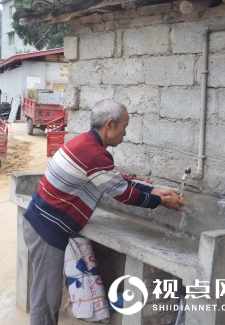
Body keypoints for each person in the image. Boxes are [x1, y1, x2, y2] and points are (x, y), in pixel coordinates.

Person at [23, 99, 186, 325]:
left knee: (44, 293)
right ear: (110, 125)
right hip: (46, 231)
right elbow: (123, 194)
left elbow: (116, 182)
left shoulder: (85, 143)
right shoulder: (95, 154)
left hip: (40, 223)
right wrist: (159, 201)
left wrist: (154, 190)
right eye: (124, 127)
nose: (125, 134)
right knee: (46, 299)